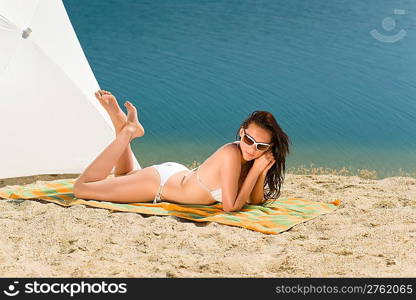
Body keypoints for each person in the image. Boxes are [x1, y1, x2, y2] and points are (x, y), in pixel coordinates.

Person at [73, 90, 291, 212]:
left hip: (175, 175)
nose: (252, 148)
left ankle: (122, 124)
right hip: (157, 185)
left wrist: (261, 171)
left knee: (122, 177)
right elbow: (231, 206)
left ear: (268, 148)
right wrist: (255, 172)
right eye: (248, 139)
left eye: (261, 146)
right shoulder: (231, 153)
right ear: (241, 132)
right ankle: (127, 131)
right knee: (82, 188)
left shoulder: (251, 158)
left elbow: (254, 201)